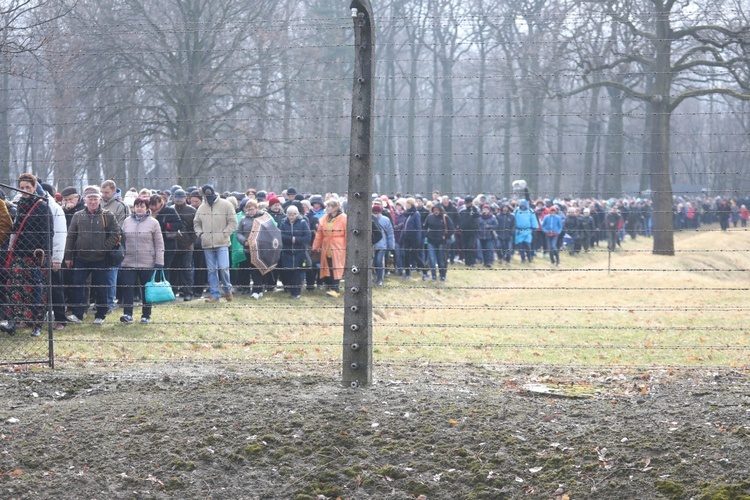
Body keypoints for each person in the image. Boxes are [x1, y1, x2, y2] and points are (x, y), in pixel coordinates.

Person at [0, 174, 52, 337]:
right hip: (18, 254)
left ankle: (37, 324)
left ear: (34, 187)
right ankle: (12, 321)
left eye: (27, 187)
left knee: (36, 290)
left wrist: (45, 255)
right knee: (13, 286)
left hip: (36, 255)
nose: (24, 190)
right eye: (21, 188)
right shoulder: (20, 205)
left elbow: (48, 233)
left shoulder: (42, 206)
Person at [64, 185, 121, 325]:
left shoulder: (107, 215)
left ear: (100, 199)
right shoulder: (78, 216)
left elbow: (115, 234)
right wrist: (68, 256)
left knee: (101, 287)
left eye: (95, 199)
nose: (93, 202)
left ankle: (101, 315)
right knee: (78, 285)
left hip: (100, 259)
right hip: (81, 258)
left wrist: (103, 249)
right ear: (84, 200)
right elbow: (71, 237)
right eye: (90, 199)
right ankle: (78, 314)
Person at [119, 197, 165, 324]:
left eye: (142, 206)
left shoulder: (153, 223)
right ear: (133, 208)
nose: (139, 208)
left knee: (146, 290)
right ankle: (127, 314)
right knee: (128, 288)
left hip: (147, 262)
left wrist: (159, 262)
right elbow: (122, 240)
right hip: (128, 261)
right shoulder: (127, 222)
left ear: (147, 208)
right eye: (137, 206)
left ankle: (146, 315)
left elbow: (159, 244)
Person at [193, 184, 237, 303]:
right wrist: (201, 234)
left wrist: (224, 233)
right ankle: (214, 294)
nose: (204, 198)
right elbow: (196, 223)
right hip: (207, 243)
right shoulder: (202, 208)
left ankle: (227, 288)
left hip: (222, 242)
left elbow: (233, 222)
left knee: (223, 267)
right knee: (211, 270)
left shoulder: (226, 205)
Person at [312, 198, 347, 297]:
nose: (326, 208)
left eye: (329, 206)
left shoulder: (344, 218)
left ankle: (335, 289)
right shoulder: (324, 218)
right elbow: (319, 234)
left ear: (335, 208)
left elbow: (347, 233)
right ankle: (330, 286)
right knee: (328, 267)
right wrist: (316, 246)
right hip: (327, 245)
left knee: (336, 267)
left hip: (339, 245)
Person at [170, 189, 198, 300]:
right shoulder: (170, 209)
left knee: (187, 269)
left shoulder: (191, 210)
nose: (178, 201)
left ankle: (187, 291)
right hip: (174, 244)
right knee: (173, 269)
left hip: (187, 245)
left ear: (185, 198)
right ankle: (173, 290)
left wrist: (191, 239)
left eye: (180, 198)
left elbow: (196, 227)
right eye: (176, 198)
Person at [279, 205, 311, 299]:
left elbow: (307, 237)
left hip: (299, 253)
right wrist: (290, 239)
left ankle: (296, 293)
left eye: (293, 215)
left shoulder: (303, 223)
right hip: (287, 252)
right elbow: (281, 235)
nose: (291, 217)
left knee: (297, 273)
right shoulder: (283, 223)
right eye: (289, 215)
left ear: (297, 214)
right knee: (288, 272)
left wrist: (296, 240)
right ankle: (290, 289)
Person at [423, 203, 454, 281]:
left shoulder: (445, 217)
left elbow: (451, 229)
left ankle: (442, 275)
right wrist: (427, 234)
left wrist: (445, 236)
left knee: (441, 259)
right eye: (434, 210)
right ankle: (433, 275)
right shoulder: (429, 217)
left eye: (437, 210)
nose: (436, 212)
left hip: (441, 242)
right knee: (432, 259)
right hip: (431, 241)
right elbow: (424, 227)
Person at [372, 204, 395, 286]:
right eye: (374, 212)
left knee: (379, 261)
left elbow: (390, 233)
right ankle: (375, 276)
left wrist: (391, 245)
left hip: (382, 244)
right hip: (373, 245)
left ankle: (379, 278)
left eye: (377, 212)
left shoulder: (386, 220)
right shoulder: (370, 219)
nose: (376, 214)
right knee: (374, 262)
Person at [457, 195, 480, 266]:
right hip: (464, 231)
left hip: (472, 231)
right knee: (465, 246)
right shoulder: (462, 209)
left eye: (468, 203)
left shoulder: (474, 209)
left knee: (471, 246)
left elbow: (477, 217)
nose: (467, 204)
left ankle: (472, 261)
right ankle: (467, 261)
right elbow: (459, 219)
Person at [476, 203, 498, 268]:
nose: (485, 210)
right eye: (484, 209)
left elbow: (496, 225)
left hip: (489, 236)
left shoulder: (493, 217)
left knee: (488, 249)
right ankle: (483, 261)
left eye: (487, 209)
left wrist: (489, 226)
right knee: (481, 249)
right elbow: (476, 225)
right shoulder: (479, 217)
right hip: (480, 236)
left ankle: (488, 262)